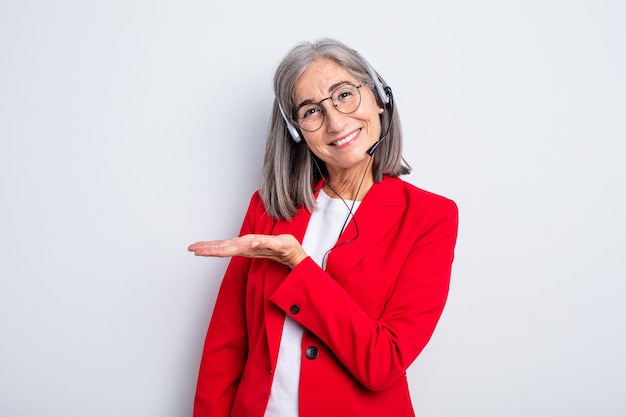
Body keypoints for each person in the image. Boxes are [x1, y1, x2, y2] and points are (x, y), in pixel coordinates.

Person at [188, 38, 459, 417]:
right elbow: (226, 345)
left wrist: (298, 264)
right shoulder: (268, 208)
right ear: (297, 130)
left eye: (345, 94)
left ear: (379, 97)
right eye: (311, 110)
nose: (335, 121)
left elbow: (383, 363)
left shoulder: (430, 217)